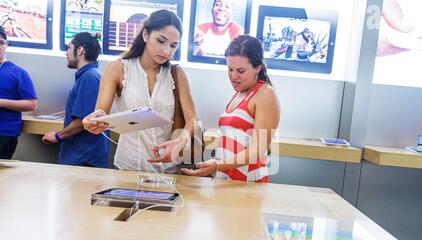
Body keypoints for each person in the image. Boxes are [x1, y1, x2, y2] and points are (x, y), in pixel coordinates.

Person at [82, 10, 198, 173]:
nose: (166, 51)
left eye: (173, 45)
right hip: (128, 167)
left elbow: (192, 118)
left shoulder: (177, 74)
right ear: (145, 35)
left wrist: (182, 139)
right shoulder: (118, 68)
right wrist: (94, 119)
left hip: (169, 171)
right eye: (161, 41)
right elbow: (101, 112)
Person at [182, 35, 281, 183]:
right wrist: (218, 167)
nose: (233, 76)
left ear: (257, 67)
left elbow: (258, 150)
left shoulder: (266, 94)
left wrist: (218, 165)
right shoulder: (239, 94)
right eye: (230, 69)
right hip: (226, 177)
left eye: (240, 71)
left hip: (248, 181)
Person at [42, 32, 109, 168]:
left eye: (68, 48)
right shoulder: (89, 76)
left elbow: (83, 121)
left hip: (83, 159)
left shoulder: (89, 78)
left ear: (80, 50)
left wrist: (57, 136)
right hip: (81, 156)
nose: (66, 53)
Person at [0, 26, 37, 159]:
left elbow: (31, 104)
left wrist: (3, 102)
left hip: (4, 133)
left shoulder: (18, 73)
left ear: (6, 45)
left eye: (1, 43)